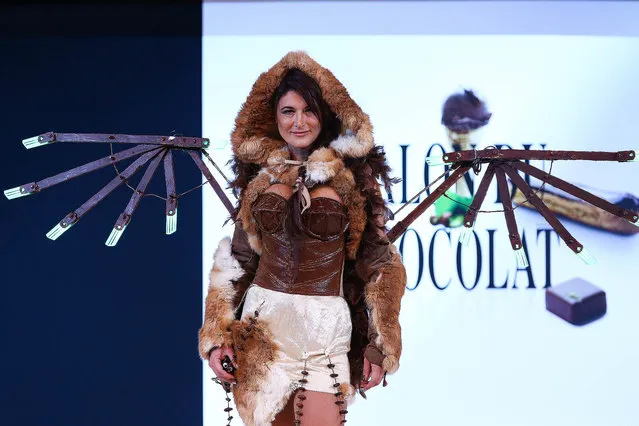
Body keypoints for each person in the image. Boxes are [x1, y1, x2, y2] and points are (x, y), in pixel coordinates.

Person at [198, 51, 407, 426]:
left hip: (324, 332)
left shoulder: (352, 178)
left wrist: (381, 343)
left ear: (324, 113)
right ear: (274, 116)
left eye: (308, 110)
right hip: (263, 329)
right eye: (288, 111)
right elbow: (236, 262)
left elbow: (381, 264)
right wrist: (216, 335)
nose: (299, 121)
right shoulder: (260, 178)